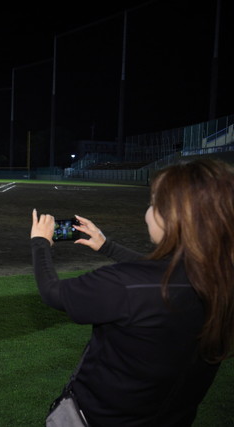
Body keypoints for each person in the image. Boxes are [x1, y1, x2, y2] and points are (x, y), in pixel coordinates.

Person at [30, 158, 234, 426]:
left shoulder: (124, 284)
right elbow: (164, 274)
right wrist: (107, 246)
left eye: (153, 203)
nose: (148, 212)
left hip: (100, 418)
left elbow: (53, 293)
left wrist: (40, 242)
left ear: (173, 216)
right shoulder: (221, 279)